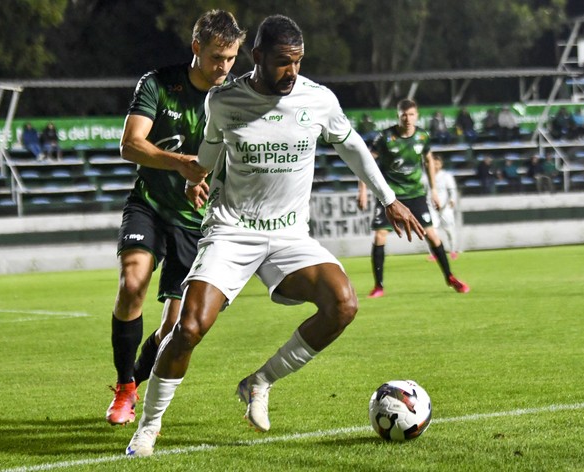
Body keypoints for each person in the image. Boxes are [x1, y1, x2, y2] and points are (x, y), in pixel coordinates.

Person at [126, 14, 424, 457]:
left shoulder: (318, 100)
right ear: (258, 56)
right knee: (187, 329)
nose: (292, 72)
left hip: (288, 235)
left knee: (343, 303)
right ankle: (148, 427)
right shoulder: (224, 101)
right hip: (231, 230)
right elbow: (208, 150)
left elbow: (352, 146)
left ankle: (259, 382)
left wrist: (388, 198)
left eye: (298, 62)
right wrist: (195, 178)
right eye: (283, 62)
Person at [105, 10, 246, 427]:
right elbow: (130, 145)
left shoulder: (234, 98)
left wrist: (212, 185)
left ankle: (137, 382)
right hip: (148, 204)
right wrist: (181, 164)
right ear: (196, 48)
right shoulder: (158, 84)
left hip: (197, 222)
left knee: (174, 330)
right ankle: (125, 387)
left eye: (232, 58)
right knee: (132, 284)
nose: (224, 67)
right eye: (217, 57)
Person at [358, 98, 469, 299]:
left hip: (416, 194)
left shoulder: (423, 136)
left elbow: (428, 158)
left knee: (433, 235)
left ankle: (450, 277)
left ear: (417, 116)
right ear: (397, 116)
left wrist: (434, 190)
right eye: (404, 115)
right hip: (389, 196)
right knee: (379, 236)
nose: (407, 119)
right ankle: (379, 286)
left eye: (411, 115)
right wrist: (362, 190)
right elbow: (365, 161)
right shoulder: (385, 138)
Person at [425, 155, 460, 261]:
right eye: (433, 163)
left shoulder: (446, 176)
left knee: (449, 230)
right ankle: (433, 253)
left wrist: (452, 200)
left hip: (445, 207)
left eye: (437, 163)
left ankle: (453, 251)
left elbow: (452, 190)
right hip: (431, 207)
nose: (435, 166)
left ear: (441, 164)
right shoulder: (425, 177)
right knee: (431, 231)